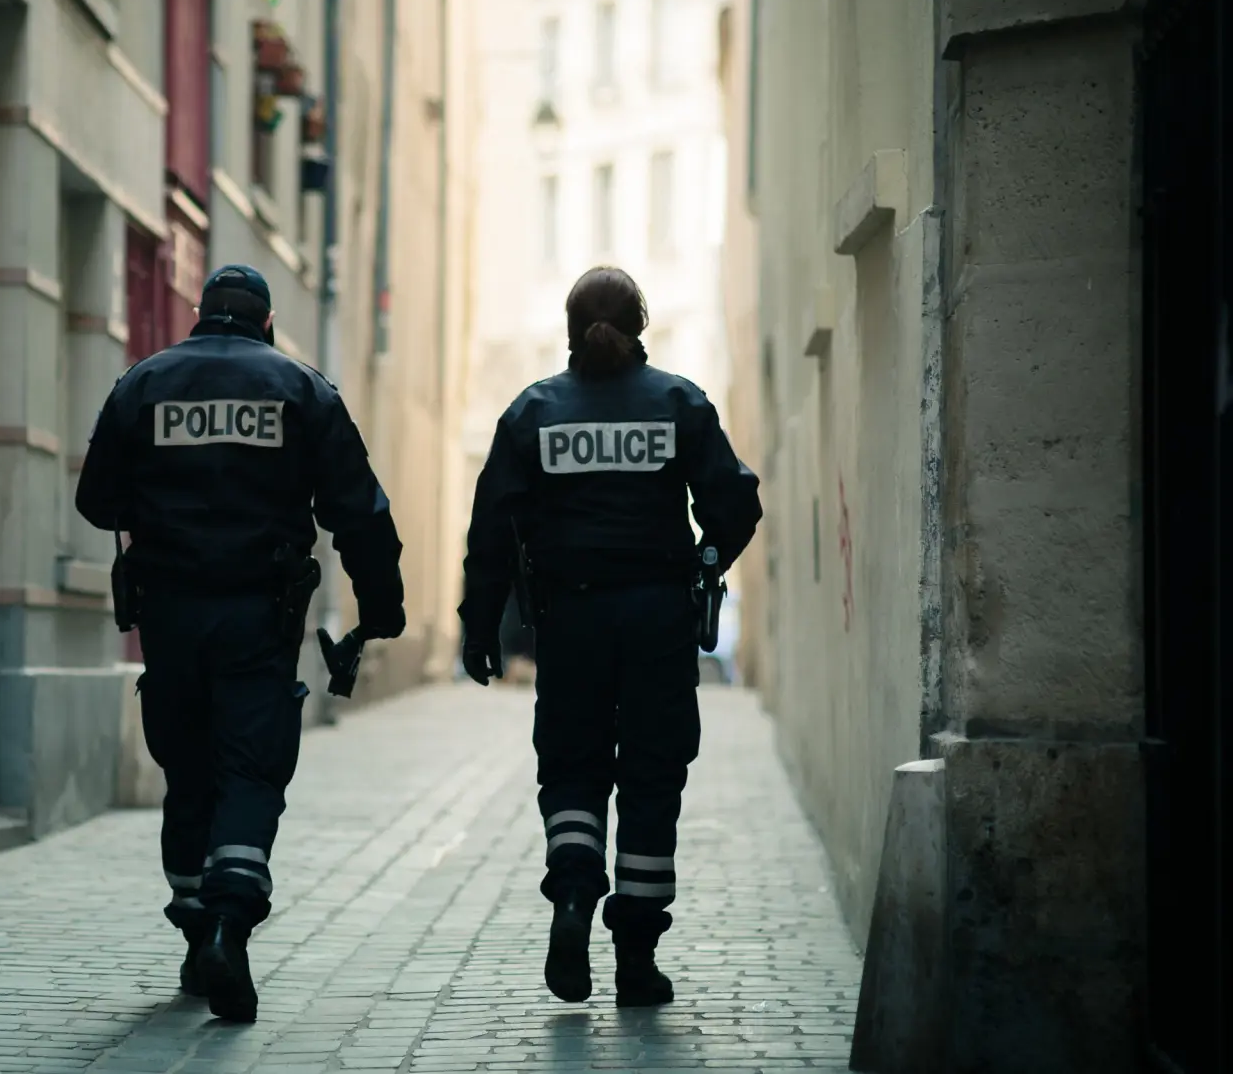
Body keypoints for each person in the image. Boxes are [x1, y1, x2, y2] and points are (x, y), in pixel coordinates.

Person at [76, 265, 407, 1023]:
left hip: (169, 613)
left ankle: (197, 933)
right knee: (250, 771)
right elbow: (359, 509)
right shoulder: (303, 390)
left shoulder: (143, 384)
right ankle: (229, 923)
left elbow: (97, 500)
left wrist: (160, 505)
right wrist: (381, 607)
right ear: (265, 323)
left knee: (188, 770)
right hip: (259, 617)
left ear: (200, 317)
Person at [456, 266, 762, 1007]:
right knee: (653, 776)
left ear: (569, 330)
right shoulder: (678, 403)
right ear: (642, 325)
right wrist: (708, 557)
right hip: (659, 618)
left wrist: (479, 624)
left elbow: (493, 529)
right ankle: (635, 957)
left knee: (571, 768)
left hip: (571, 622)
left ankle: (571, 896)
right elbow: (736, 502)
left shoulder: (534, 412)